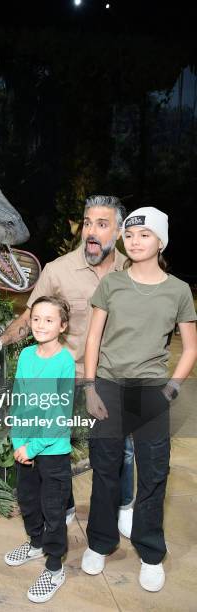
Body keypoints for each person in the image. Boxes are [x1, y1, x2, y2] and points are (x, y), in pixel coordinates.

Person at [0, 195, 135, 535]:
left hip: (117, 378)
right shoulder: (58, 270)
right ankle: (67, 504)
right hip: (69, 378)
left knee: (125, 449)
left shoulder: (133, 271)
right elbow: (31, 317)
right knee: (59, 448)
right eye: (87, 223)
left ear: (118, 231)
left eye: (101, 225)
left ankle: (124, 505)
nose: (91, 231)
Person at [81, 207, 197, 592]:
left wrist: (171, 389)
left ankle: (150, 553)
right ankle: (100, 542)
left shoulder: (178, 290)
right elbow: (93, 338)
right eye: (130, 235)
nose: (135, 241)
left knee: (153, 474)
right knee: (105, 469)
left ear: (160, 241)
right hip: (110, 386)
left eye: (145, 235)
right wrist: (90, 387)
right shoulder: (111, 285)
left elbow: (191, 348)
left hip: (151, 391)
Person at [4, 296, 75, 603]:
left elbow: (60, 415)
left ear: (62, 326)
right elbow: (19, 400)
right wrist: (18, 441)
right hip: (26, 448)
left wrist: (33, 446)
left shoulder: (65, 361)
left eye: (49, 320)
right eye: (36, 318)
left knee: (53, 510)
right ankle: (35, 543)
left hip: (52, 450)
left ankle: (55, 566)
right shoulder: (26, 356)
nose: (41, 325)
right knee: (28, 500)